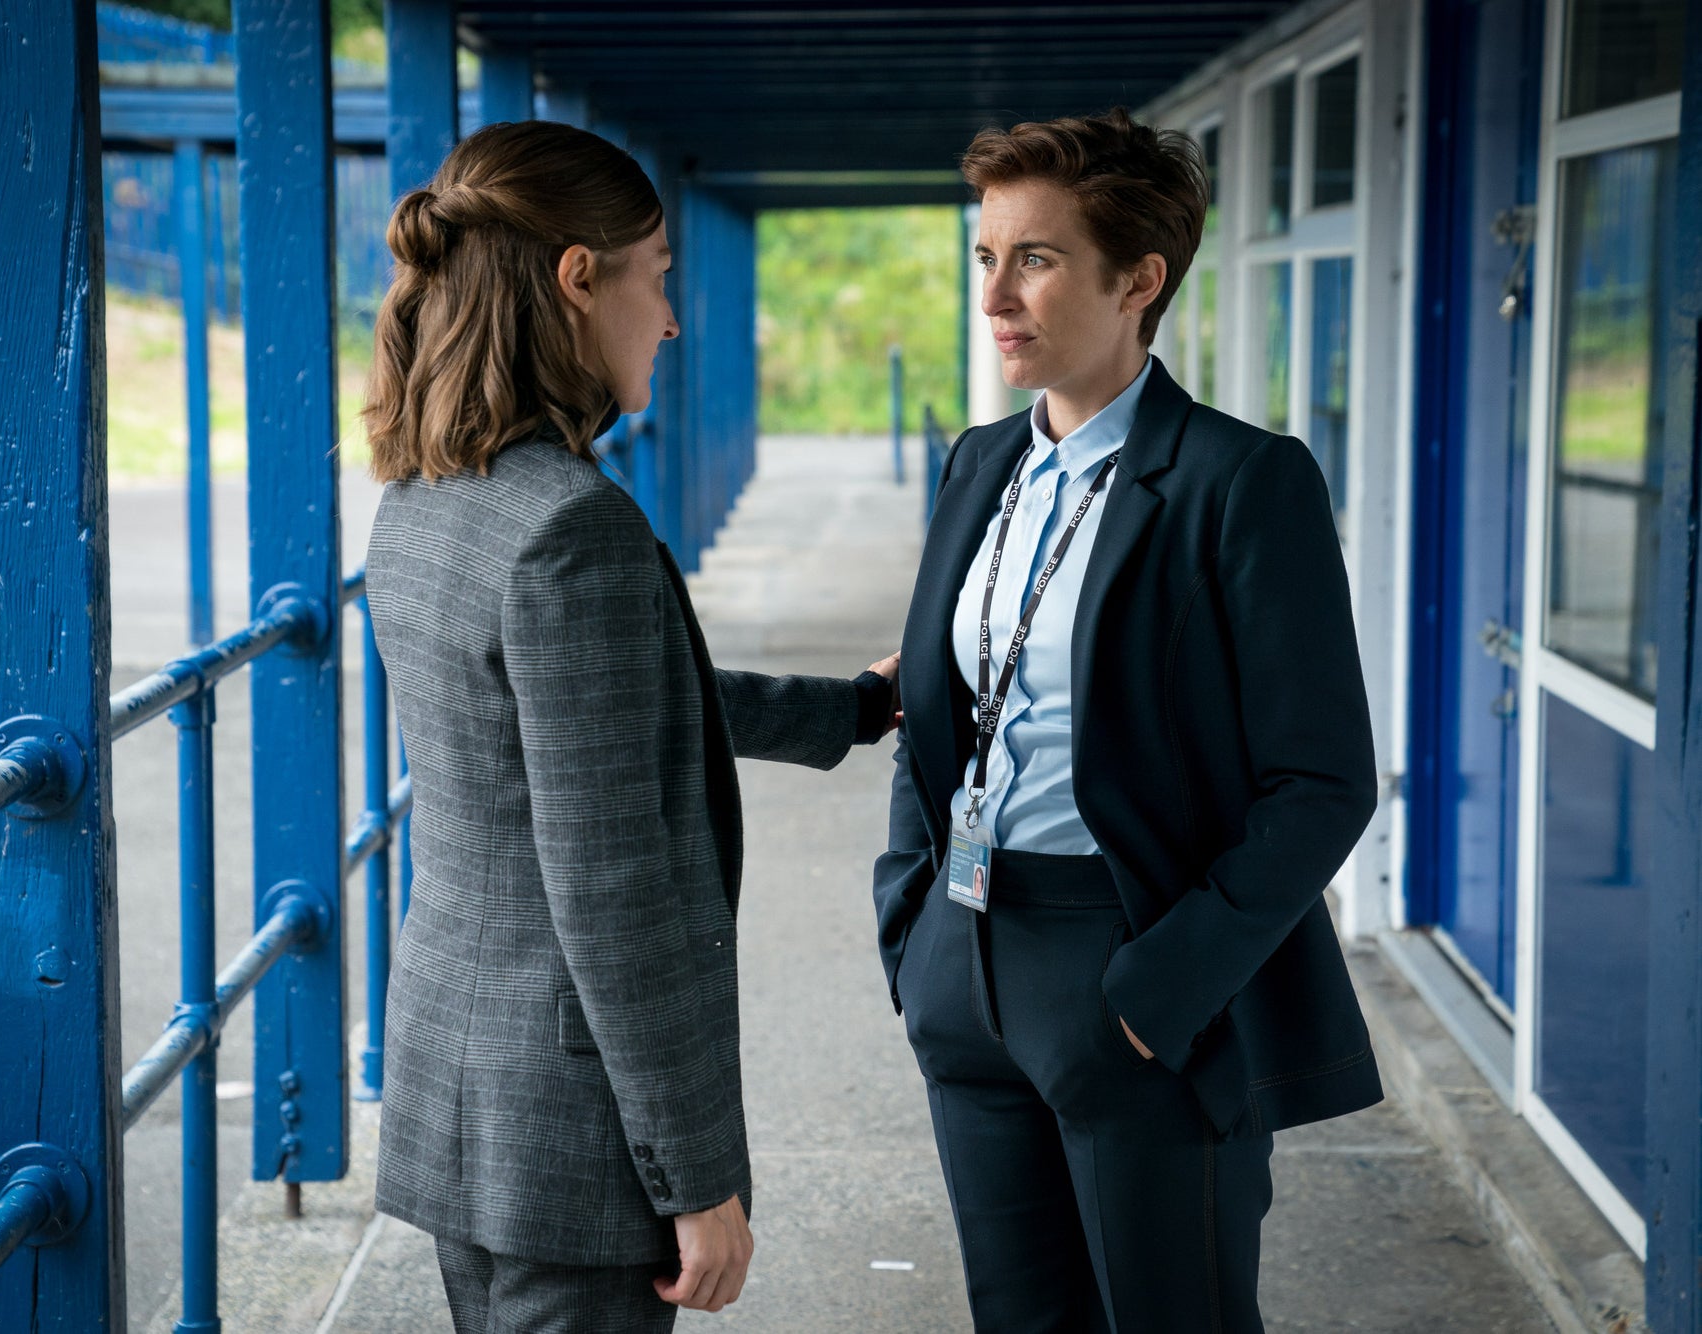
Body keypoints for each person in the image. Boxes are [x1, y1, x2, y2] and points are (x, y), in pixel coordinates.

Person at [362, 120, 898, 1334]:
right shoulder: (570, 525)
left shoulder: (428, 495)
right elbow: (611, 886)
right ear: (576, 276)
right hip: (572, 1131)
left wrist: (856, 708)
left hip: (469, 1090)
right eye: (656, 273)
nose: (667, 318)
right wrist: (695, 1177)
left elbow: (605, 708)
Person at [873, 108, 1382, 1333]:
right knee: (1021, 1318)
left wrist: (1162, 986)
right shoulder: (977, 461)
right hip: (967, 961)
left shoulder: (1239, 482)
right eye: (986, 255)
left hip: (1128, 963)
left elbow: (1322, 781)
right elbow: (943, 707)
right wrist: (911, 917)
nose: (996, 292)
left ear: (1138, 278)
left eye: (1036, 257)